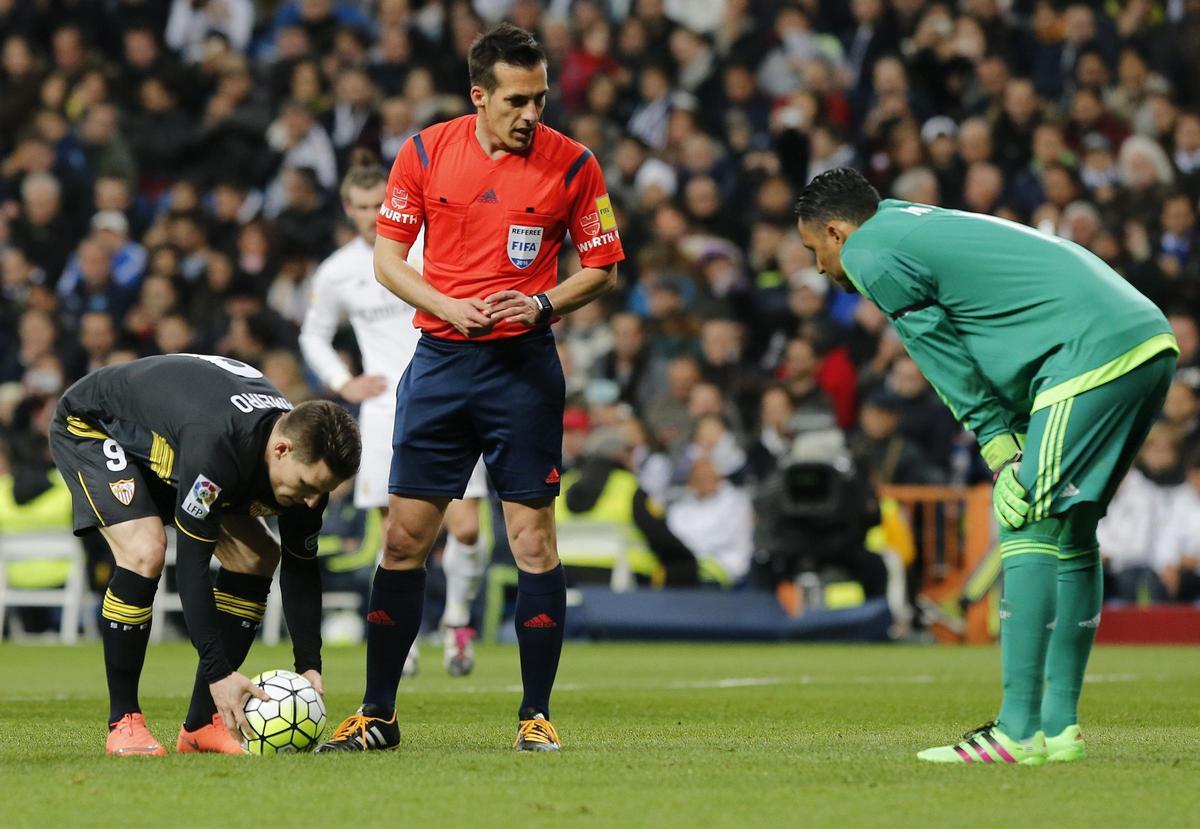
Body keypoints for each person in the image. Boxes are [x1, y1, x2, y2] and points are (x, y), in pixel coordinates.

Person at [795, 167, 1177, 765]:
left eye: (813, 249)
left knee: (1025, 522)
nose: (818, 267)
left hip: (1085, 351)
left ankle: (1017, 731)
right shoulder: (907, 222)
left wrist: (996, 445)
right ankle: (1059, 729)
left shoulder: (870, 251)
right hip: (1144, 340)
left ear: (838, 232)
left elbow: (937, 349)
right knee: (1074, 531)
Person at [317, 23, 622, 753]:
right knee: (401, 539)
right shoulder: (424, 152)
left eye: (541, 98)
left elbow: (603, 264)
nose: (531, 114)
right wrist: (448, 305)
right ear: (479, 95)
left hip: (523, 371)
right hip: (442, 364)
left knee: (532, 542)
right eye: (517, 100)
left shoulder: (575, 164)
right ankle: (379, 713)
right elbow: (389, 260)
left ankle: (536, 714)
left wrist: (545, 302)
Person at [47, 353, 361, 756]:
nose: (311, 499)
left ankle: (202, 726)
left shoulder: (305, 472)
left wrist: (309, 665)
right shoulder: (219, 446)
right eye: (306, 484)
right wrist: (220, 673)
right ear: (281, 449)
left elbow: (301, 567)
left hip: (176, 442)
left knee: (258, 556)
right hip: (96, 424)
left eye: (323, 490)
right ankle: (123, 723)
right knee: (146, 549)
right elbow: (193, 567)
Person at [299, 165, 491, 678]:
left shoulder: (433, 245)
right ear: (347, 209)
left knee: (467, 530)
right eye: (360, 207)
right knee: (399, 537)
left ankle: (455, 622)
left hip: (448, 395)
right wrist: (344, 383)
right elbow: (313, 336)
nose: (370, 216)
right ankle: (403, 640)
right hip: (386, 409)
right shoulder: (338, 270)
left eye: (377, 204)